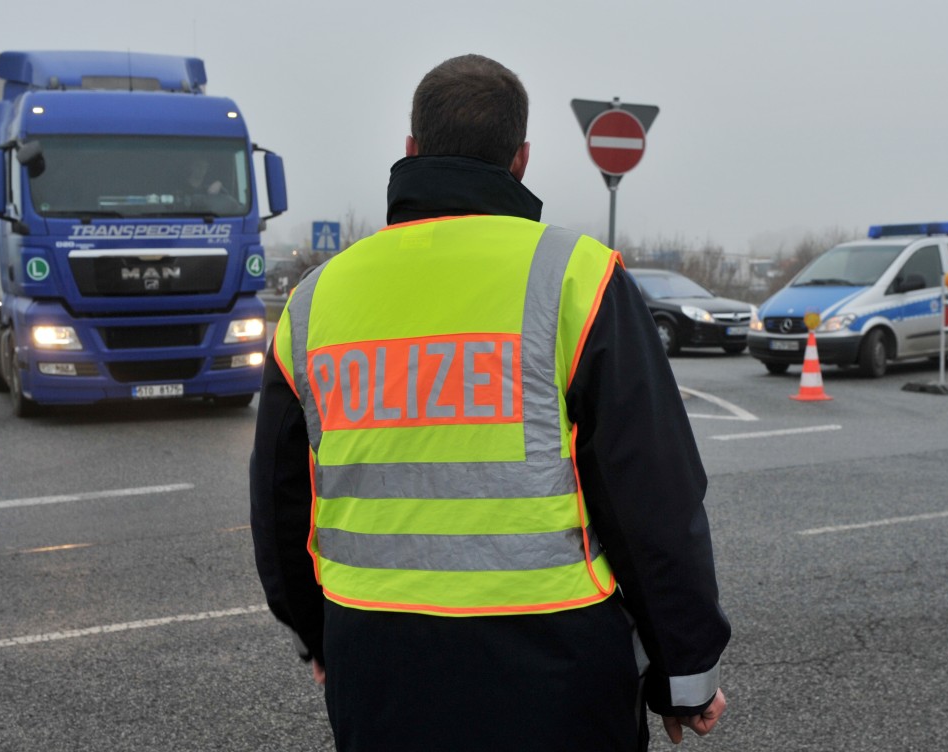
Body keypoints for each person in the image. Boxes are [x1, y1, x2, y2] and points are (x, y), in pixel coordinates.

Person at [251, 54, 730, 751]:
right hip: (556, 670)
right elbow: (651, 495)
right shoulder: (577, 279)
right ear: (521, 159)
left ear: (411, 149)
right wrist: (683, 674)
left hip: (378, 663)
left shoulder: (313, 302)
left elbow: (280, 501)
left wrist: (320, 639)